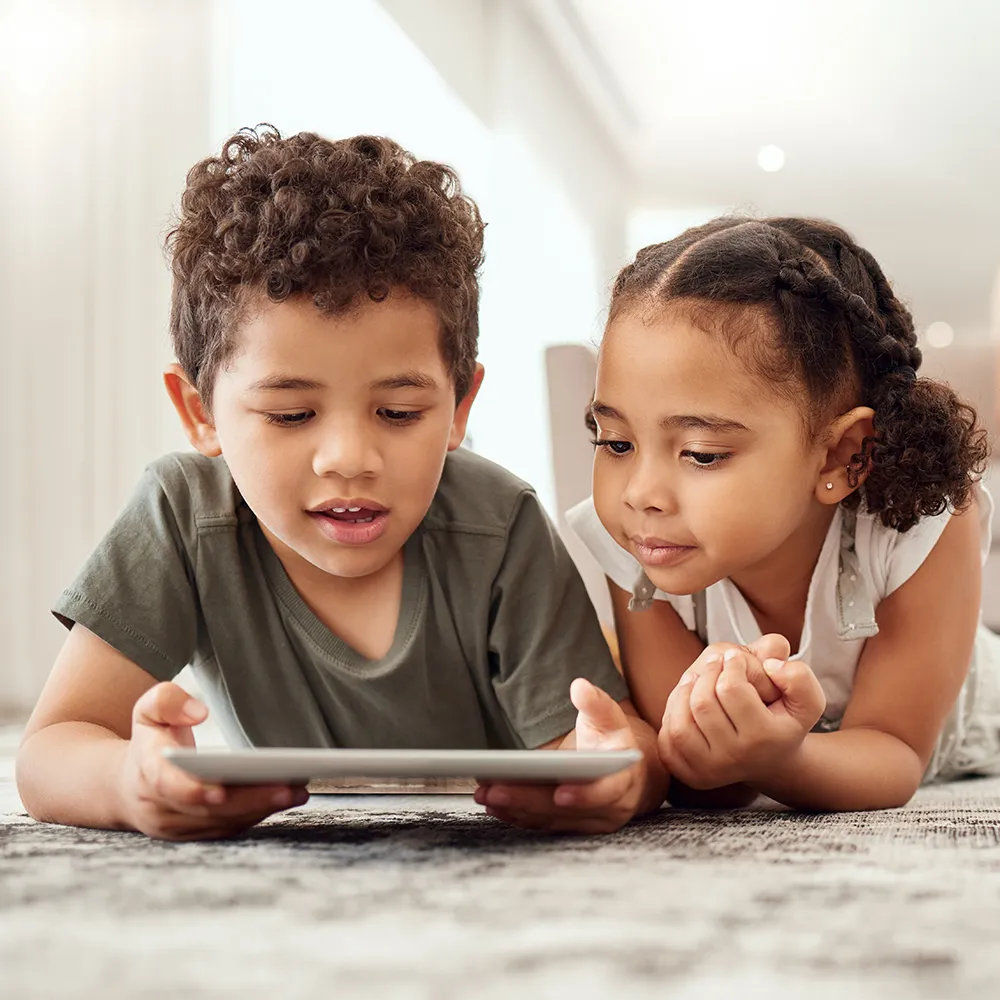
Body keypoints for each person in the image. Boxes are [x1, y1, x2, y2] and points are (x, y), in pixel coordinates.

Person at [16, 127, 666, 840]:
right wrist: (130, 781)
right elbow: (51, 749)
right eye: (292, 414)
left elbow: (617, 748)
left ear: (459, 407)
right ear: (200, 414)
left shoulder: (500, 523)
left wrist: (616, 773)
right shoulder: (182, 513)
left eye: (398, 412)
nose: (349, 458)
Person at [568, 215, 1000, 811]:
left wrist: (781, 758)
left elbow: (894, 753)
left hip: (964, 729)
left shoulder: (925, 524)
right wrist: (714, 728)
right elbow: (701, 774)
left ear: (842, 454)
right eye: (616, 442)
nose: (640, 493)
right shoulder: (634, 538)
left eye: (701, 453)